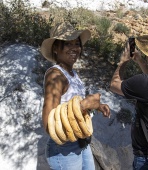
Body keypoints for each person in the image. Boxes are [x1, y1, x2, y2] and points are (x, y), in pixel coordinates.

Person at [40, 21, 110, 170]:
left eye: (77, 43)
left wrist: (97, 106)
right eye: (67, 44)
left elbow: (71, 103)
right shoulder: (55, 75)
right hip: (64, 149)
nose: (74, 48)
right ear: (56, 49)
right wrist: (84, 105)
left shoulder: (72, 73)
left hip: (81, 141)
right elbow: (48, 124)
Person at [110, 27, 148, 170]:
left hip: (145, 156)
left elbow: (114, 85)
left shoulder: (145, 82)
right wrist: (140, 61)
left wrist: (122, 62)